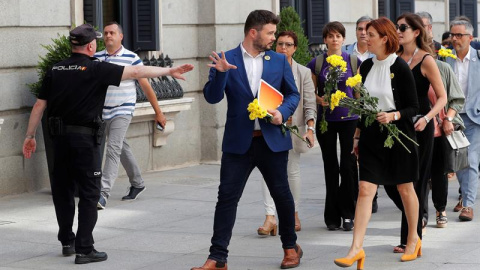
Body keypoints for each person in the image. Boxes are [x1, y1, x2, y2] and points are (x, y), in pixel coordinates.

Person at [22, 24, 193, 264]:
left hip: (58, 140)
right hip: (84, 141)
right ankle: (84, 248)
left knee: (63, 192)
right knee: (90, 194)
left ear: (73, 45)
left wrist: (29, 136)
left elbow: (40, 105)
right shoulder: (96, 68)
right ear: (91, 46)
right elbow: (135, 73)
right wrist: (170, 70)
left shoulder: (55, 68)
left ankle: (67, 241)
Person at [191, 10, 302, 270]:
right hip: (238, 142)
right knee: (227, 198)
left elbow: (293, 95)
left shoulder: (278, 60)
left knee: (282, 195)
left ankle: (290, 248)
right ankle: (218, 257)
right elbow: (212, 97)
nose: (274, 38)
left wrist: (281, 113)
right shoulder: (226, 59)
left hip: (271, 140)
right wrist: (220, 74)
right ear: (254, 32)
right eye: (270, 33)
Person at [334, 17, 421, 269]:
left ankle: (413, 238)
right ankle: (355, 248)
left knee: (405, 189)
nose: (365, 37)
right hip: (372, 135)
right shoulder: (367, 66)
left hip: (398, 135)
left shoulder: (401, 67)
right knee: (364, 190)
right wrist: (357, 134)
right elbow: (363, 105)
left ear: (384, 38)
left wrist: (393, 114)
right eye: (364, 33)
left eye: (370, 34)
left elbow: (414, 106)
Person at [384, 13, 447, 253]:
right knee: (392, 180)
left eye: (403, 27)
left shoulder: (426, 59)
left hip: (421, 125)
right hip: (397, 123)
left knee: (415, 181)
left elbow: (442, 97)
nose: (398, 31)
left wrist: (428, 118)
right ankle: (414, 217)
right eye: (396, 27)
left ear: (416, 32)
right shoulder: (393, 58)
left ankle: (411, 239)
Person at [94, 22, 166, 209]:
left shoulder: (132, 58)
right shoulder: (96, 58)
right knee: (121, 146)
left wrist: (158, 112)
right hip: (103, 110)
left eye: (112, 33)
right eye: (106, 33)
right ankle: (138, 183)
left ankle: (102, 194)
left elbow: (146, 86)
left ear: (121, 36)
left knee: (113, 148)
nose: (108, 35)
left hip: (123, 109)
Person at [257, 31, 316, 236]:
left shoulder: (303, 73)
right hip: (270, 127)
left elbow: (309, 104)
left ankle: (293, 213)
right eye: (280, 44)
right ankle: (270, 217)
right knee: (268, 171)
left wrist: (310, 129)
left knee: (292, 171)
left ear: (295, 48)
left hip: (293, 129)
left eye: (288, 44)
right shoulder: (265, 68)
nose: (283, 48)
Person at [307, 21, 361, 231]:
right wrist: (320, 100)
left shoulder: (353, 61)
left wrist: (358, 112)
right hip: (326, 121)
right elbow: (310, 92)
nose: (334, 39)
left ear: (343, 39)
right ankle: (331, 216)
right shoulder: (317, 63)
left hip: (349, 120)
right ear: (325, 40)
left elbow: (358, 93)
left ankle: (348, 214)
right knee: (330, 167)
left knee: (348, 167)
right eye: (330, 36)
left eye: (338, 36)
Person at [343, 16, 380, 214]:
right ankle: (363, 193)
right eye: (360, 29)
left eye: (367, 29)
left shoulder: (380, 54)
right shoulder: (347, 53)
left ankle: (372, 194)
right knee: (355, 155)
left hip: (376, 111)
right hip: (354, 111)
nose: (363, 32)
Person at [445, 19, 480, 221]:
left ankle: (468, 205)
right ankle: (464, 196)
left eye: (459, 35)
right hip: (452, 117)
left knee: (471, 160)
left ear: (470, 38)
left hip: (474, 117)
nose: (455, 39)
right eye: (453, 35)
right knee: (457, 161)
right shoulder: (445, 59)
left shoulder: (478, 58)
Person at [428, 58, 465, 228]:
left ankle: (440, 209)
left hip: (438, 129)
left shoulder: (442, 68)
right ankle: (420, 213)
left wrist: (448, 119)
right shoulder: (402, 65)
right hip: (413, 129)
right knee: (417, 174)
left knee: (438, 171)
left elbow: (456, 99)